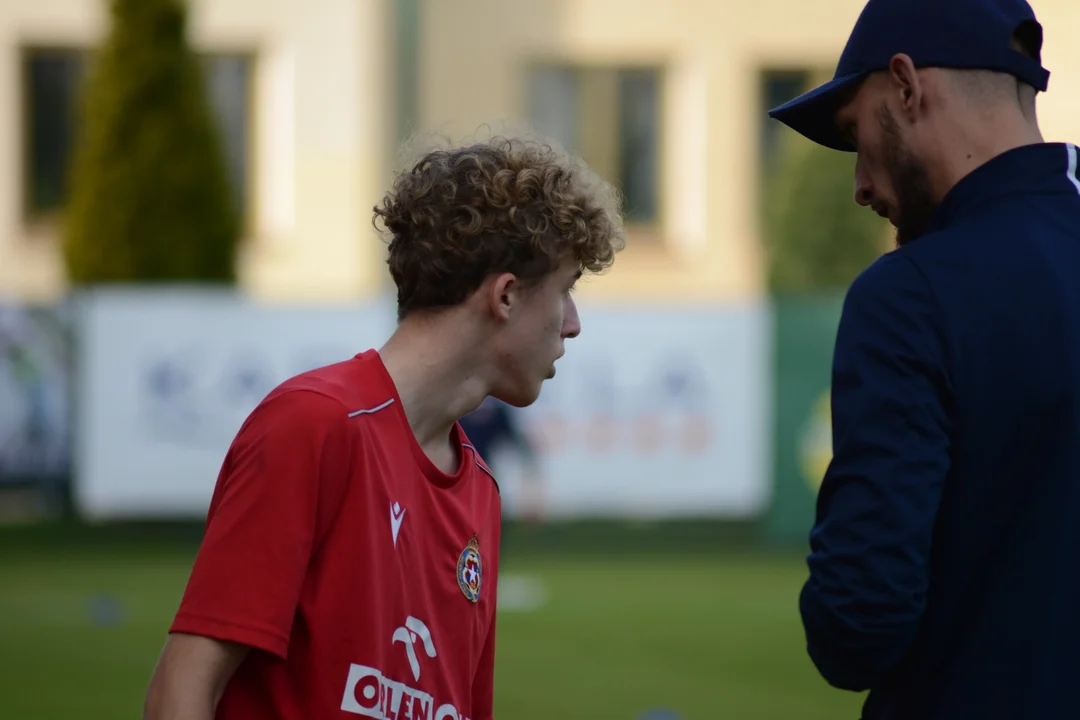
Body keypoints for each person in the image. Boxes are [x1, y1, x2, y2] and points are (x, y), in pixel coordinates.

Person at [142, 135, 624, 720]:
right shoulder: (312, 426)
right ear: (506, 295)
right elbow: (182, 689)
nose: (572, 325)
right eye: (567, 289)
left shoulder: (481, 490)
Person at [768, 0, 1080, 718]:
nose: (860, 186)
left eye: (855, 133)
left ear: (907, 87)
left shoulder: (912, 294)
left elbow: (859, 623)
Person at [459, 396, 547, 523]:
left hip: (483, 477)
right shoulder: (456, 412)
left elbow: (521, 445)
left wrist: (531, 494)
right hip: (461, 478)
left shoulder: (497, 412)